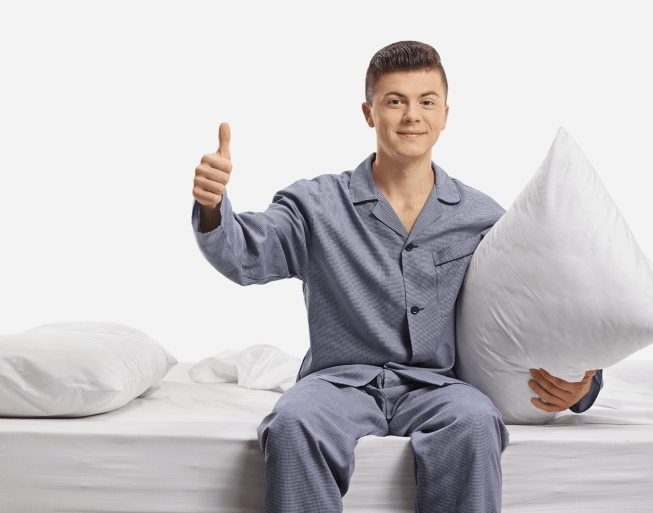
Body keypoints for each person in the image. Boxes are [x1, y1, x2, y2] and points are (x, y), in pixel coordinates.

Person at [191, 40, 602, 513]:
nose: (412, 115)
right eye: (395, 101)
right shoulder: (316, 205)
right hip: (337, 385)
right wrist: (211, 206)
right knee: (292, 424)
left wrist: (584, 382)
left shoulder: (483, 218)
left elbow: (542, 302)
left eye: (426, 101)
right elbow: (244, 253)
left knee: (475, 422)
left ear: (446, 114)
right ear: (369, 113)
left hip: (437, 389)